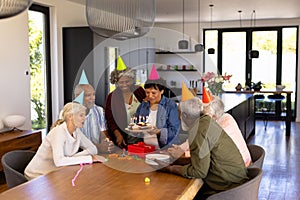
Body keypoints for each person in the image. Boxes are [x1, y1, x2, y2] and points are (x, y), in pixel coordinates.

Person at [157, 83, 248, 199]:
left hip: (228, 189)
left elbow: (199, 171)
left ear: (184, 115)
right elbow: (201, 160)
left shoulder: (197, 131)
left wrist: (169, 169)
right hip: (237, 182)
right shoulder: (205, 122)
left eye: (178, 115)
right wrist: (177, 161)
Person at [25, 102, 105, 180]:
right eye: (81, 115)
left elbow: (93, 149)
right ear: (70, 117)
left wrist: (72, 158)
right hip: (37, 176)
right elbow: (59, 161)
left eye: (84, 115)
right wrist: (89, 158)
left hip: (55, 173)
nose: (84, 118)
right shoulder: (58, 132)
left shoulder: (76, 132)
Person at [134, 65, 180, 149]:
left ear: (162, 91)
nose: (150, 96)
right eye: (147, 92)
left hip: (165, 147)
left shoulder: (170, 106)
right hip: (145, 147)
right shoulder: (143, 105)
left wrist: (159, 132)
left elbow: (174, 131)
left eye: (153, 93)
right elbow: (136, 124)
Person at [105, 56, 146, 148]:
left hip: (143, 135)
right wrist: (118, 135)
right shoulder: (112, 97)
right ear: (116, 82)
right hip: (124, 136)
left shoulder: (139, 91)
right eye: (121, 82)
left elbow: (149, 108)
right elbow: (110, 120)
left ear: (132, 80)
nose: (124, 85)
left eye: (127, 81)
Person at [202, 92, 252, 167]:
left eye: (204, 115)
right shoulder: (227, 117)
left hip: (237, 172)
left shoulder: (217, 130)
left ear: (214, 116)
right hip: (247, 164)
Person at [73, 83, 114, 153]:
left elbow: (104, 135)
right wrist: (97, 147)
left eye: (93, 94)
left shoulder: (99, 111)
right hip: (77, 156)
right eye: (88, 95)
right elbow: (74, 142)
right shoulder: (69, 113)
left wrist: (107, 144)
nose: (93, 98)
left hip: (96, 154)